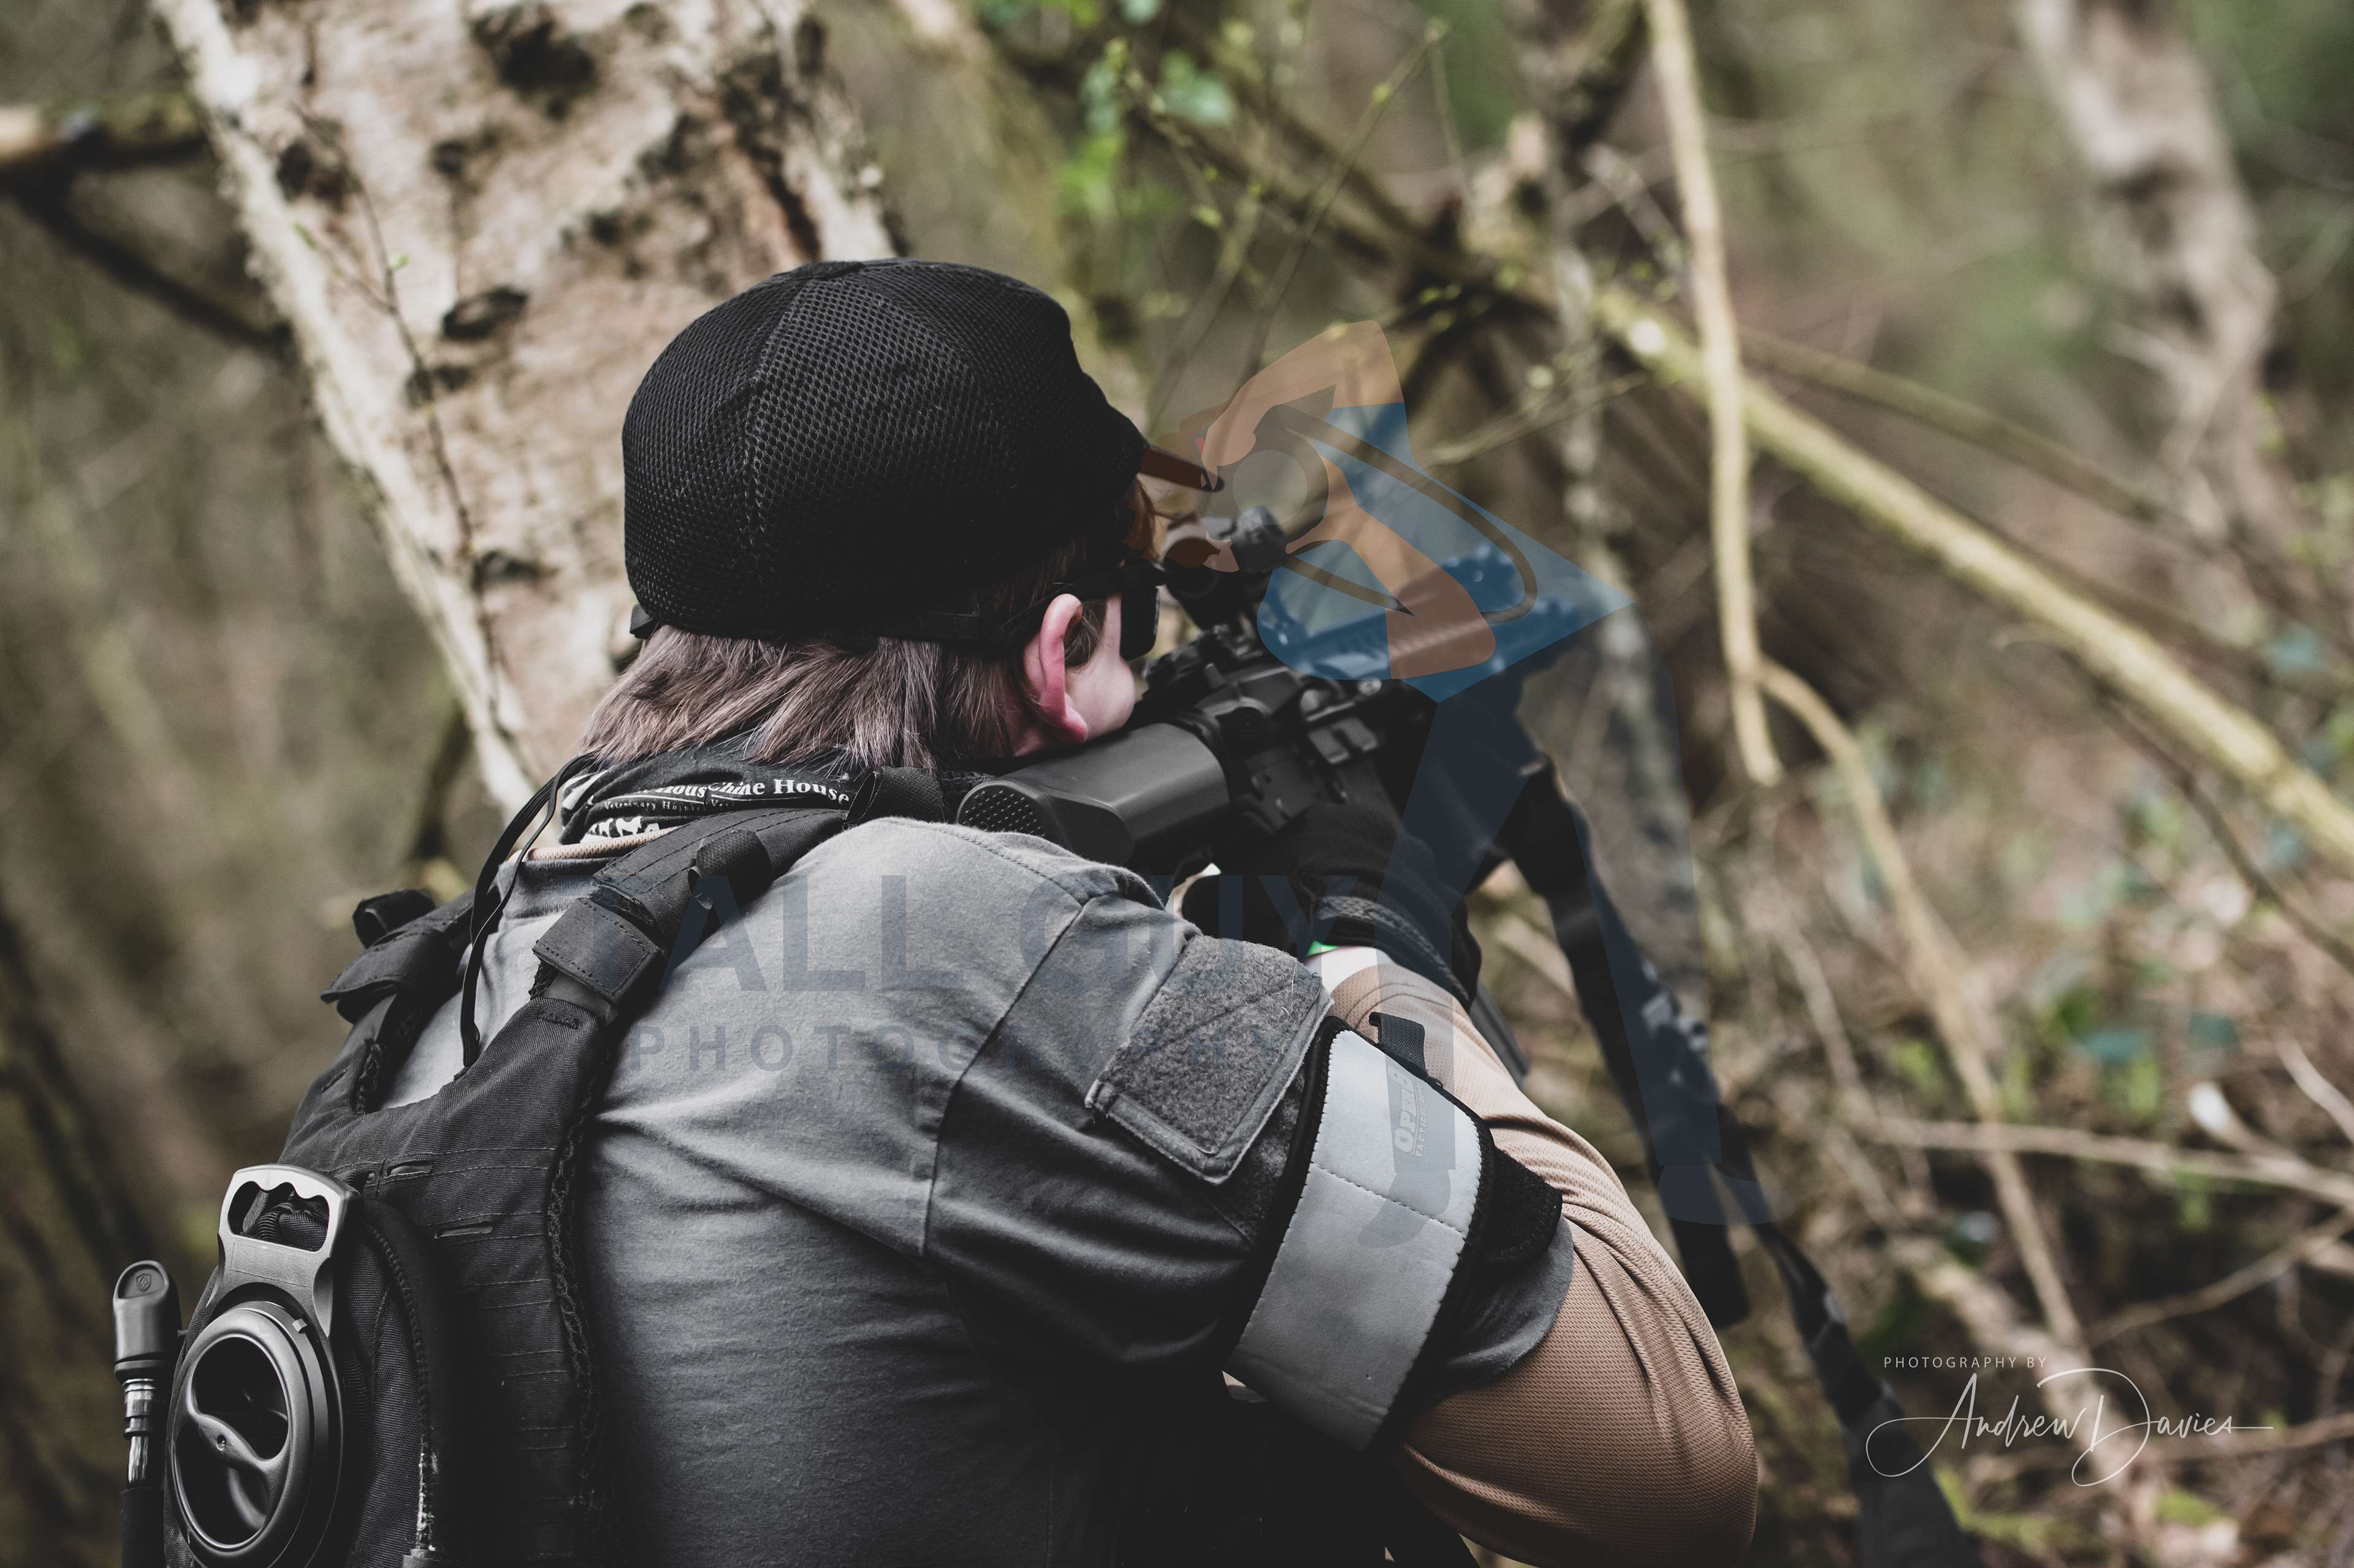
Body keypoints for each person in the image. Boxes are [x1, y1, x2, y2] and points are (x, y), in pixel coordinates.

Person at [382, 259, 1756, 1567]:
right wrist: (1364, 957)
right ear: (1062, 648)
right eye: (1136, 618)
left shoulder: (477, 968)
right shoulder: (990, 945)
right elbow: (1671, 1467)